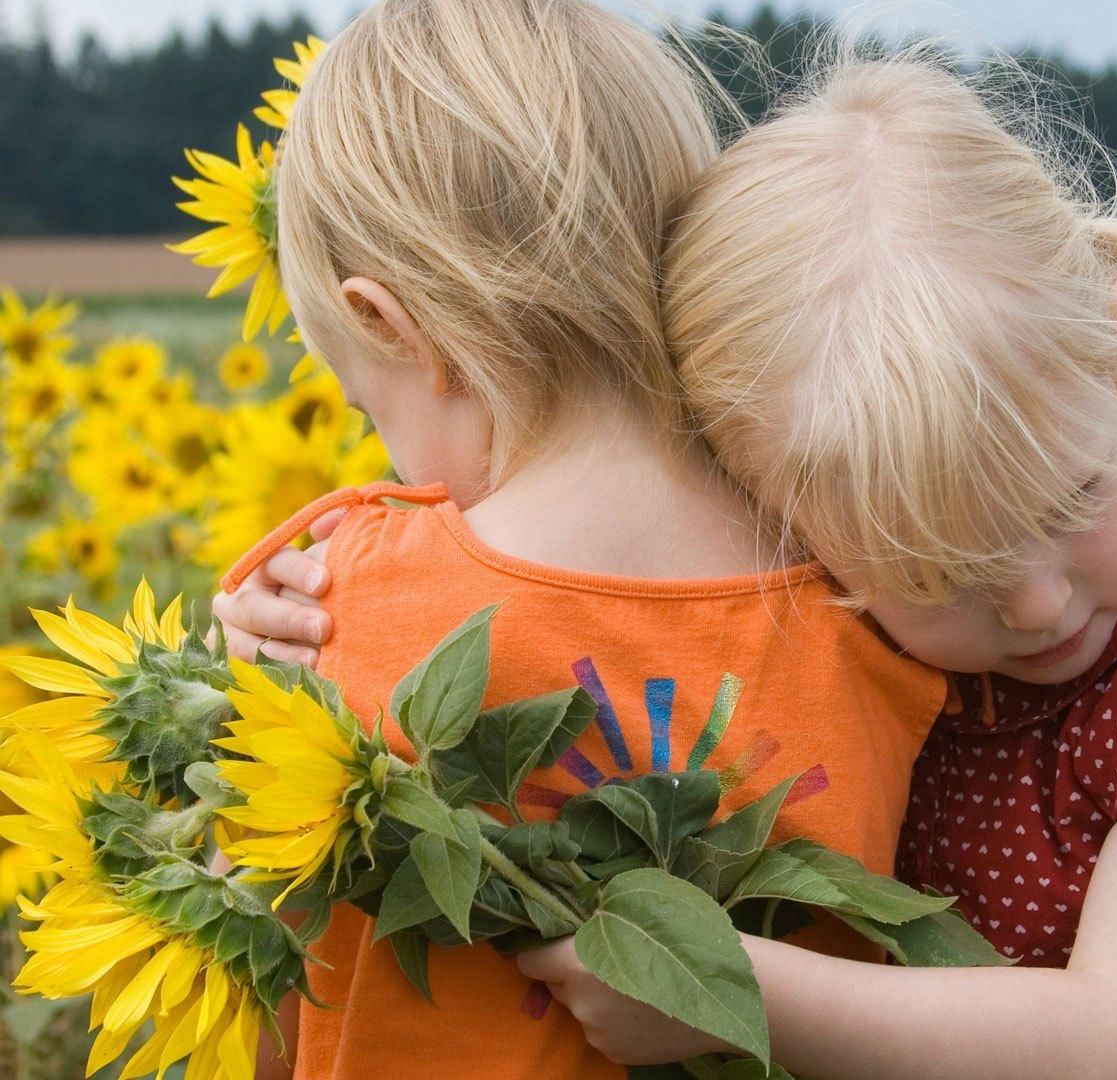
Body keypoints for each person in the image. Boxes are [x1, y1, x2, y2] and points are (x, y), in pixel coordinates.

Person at [215, 6, 945, 1078]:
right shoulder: (880, 587)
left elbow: (265, 1021)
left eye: (365, 404)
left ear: (389, 325)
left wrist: (260, 724)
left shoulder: (326, 610)